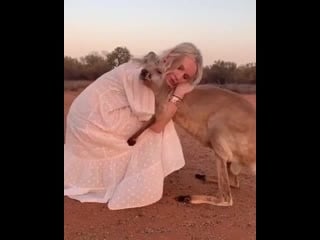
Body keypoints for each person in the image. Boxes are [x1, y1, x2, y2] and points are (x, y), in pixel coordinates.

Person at [64, 42, 203, 210]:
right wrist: (179, 94)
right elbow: (157, 125)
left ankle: (127, 173)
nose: (179, 77)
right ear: (169, 57)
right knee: (160, 126)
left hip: (86, 119)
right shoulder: (146, 74)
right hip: (91, 123)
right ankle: (138, 178)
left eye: (186, 77)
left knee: (159, 118)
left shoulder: (149, 66)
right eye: (180, 68)